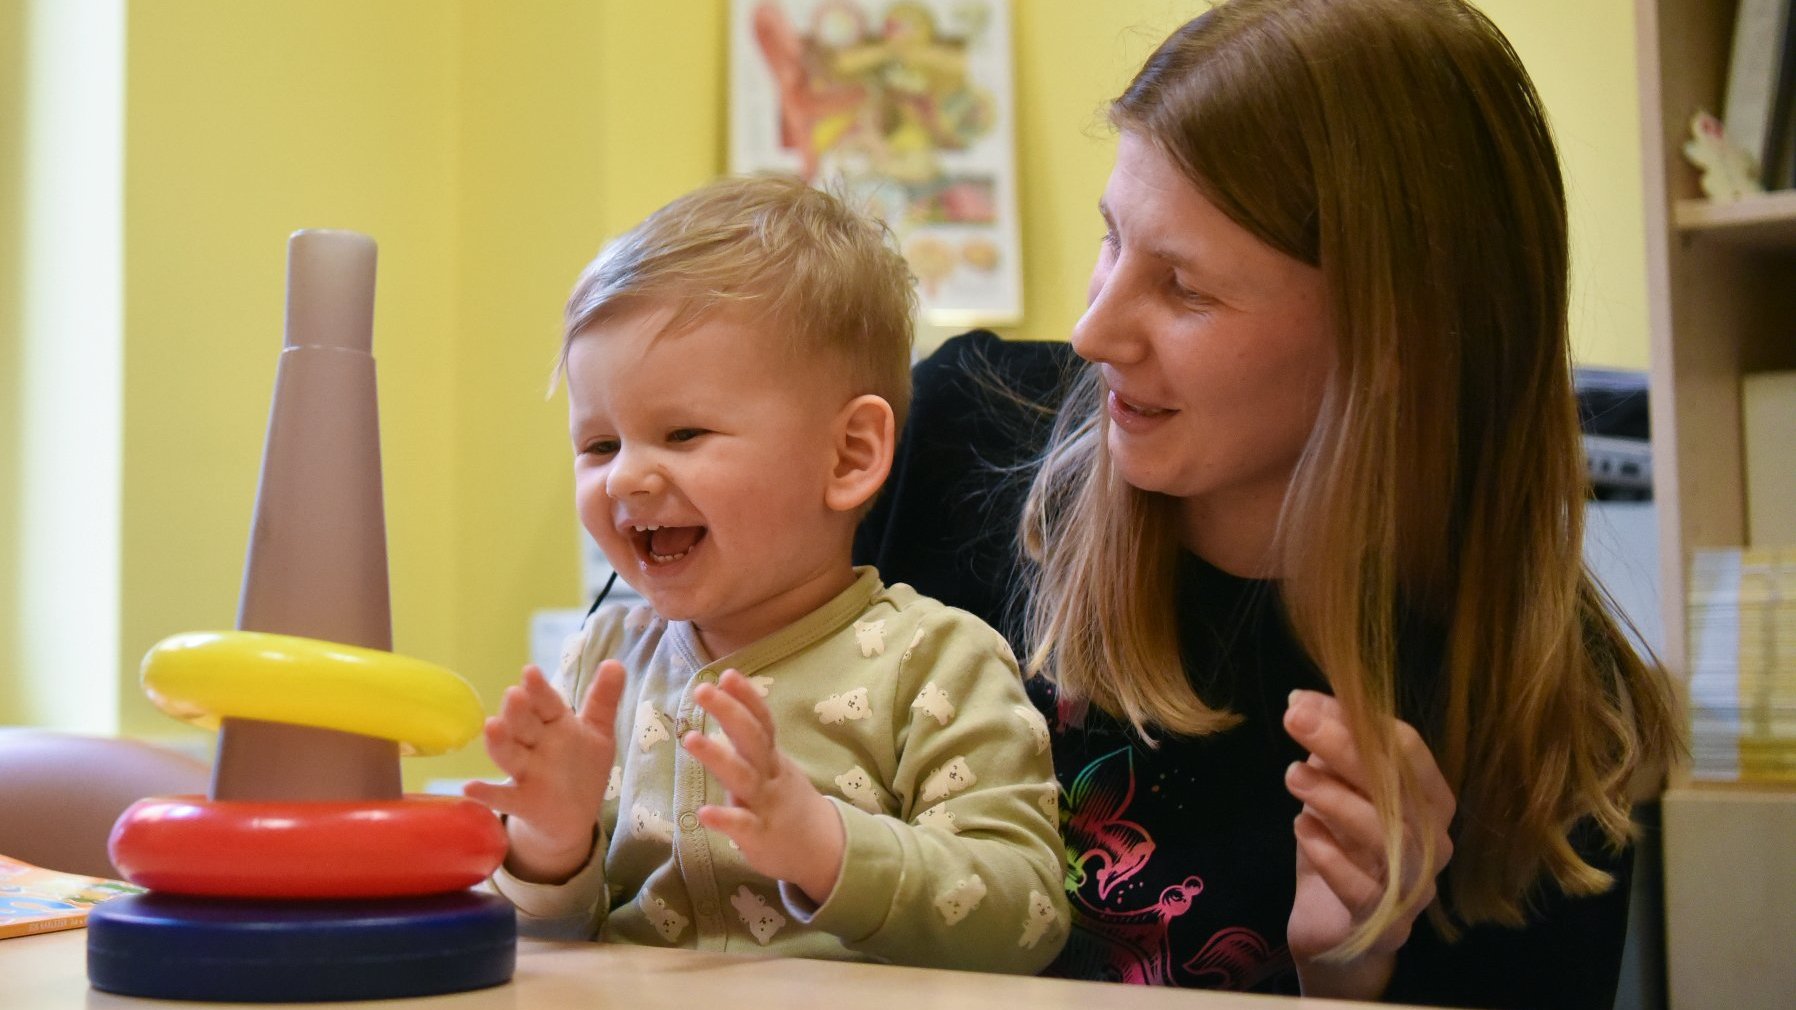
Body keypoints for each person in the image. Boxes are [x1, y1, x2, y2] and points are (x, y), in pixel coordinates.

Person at [855, 0, 1682, 1005]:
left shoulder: (1548, 729)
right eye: (1111, 239)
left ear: (1392, 342)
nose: (1092, 329)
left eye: (1186, 290)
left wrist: (1342, 977)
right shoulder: (943, 434)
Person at [465, 176, 1067, 970]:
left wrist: (826, 848)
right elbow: (543, 950)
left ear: (849, 455)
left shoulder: (940, 662)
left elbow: (1027, 914)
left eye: (682, 433)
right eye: (600, 445)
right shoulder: (601, 663)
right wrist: (547, 847)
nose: (622, 480)